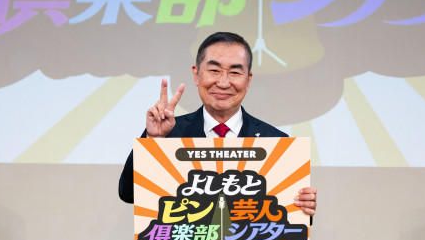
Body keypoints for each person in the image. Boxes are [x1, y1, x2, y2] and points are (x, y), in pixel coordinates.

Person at [119, 31, 317, 215]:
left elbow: (288, 220)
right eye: (214, 70)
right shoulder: (168, 134)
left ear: (248, 80)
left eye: (235, 72)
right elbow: (129, 193)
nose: (223, 83)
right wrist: (153, 141)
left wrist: (302, 206)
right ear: (196, 74)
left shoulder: (276, 142)